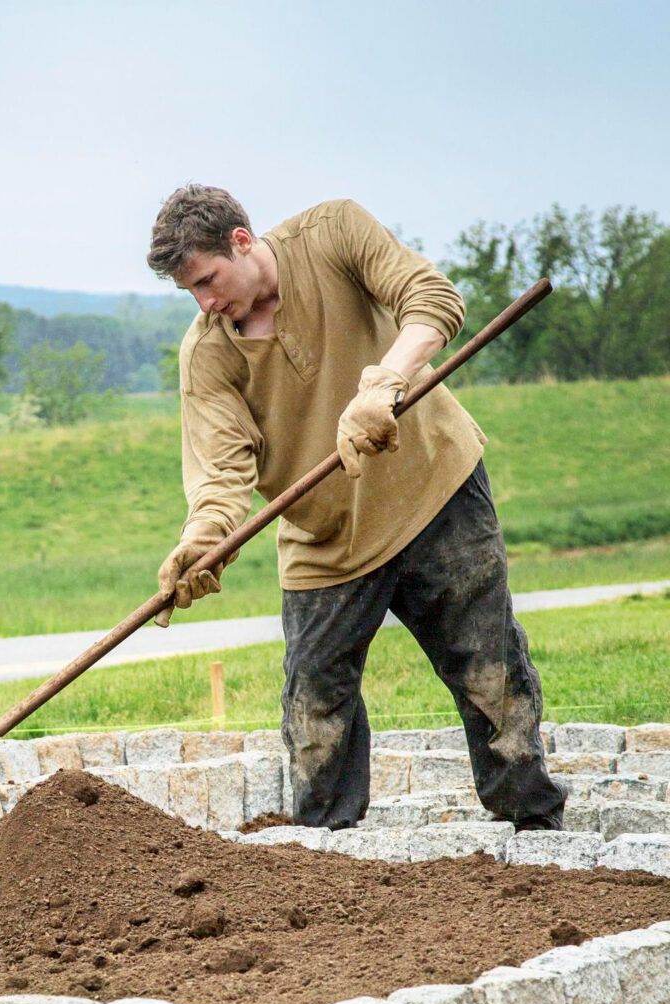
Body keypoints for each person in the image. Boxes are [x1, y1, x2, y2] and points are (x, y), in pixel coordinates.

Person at [150, 185, 564, 830]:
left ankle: (535, 832)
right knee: (313, 706)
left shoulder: (333, 232)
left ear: (241, 240)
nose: (206, 302)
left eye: (207, 279)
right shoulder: (209, 351)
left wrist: (385, 382)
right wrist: (205, 536)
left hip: (435, 493)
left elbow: (432, 300)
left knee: (490, 674)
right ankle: (329, 854)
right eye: (191, 293)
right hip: (325, 538)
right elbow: (221, 469)